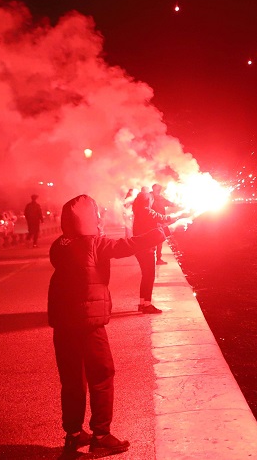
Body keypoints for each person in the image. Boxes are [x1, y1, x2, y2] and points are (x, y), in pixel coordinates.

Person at [48, 194, 177, 454]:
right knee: (102, 375)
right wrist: (165, 231)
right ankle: (100, 436)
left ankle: (73, 435)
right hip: (88, 322)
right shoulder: (94, 244)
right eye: (96, 215)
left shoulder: (59, 245)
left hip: (63, 322)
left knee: (72, 379)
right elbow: (130, 245)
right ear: (89, 219)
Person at [131, 187, 174, 314]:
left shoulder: (139, 212)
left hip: (140, 249)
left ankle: (142, 303)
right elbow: (164, 219)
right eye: (151, 200)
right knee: (149, 276)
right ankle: (147, 305)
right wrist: (181, 215)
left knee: (145, 275)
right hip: (147, 249)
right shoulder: (147, 212)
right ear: (147, 201)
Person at [150, 184, 175, 265]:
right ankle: (158, 259)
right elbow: (170, 204)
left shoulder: (150, 197)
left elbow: (169, 203)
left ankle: (152, 258)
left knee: (152, 240)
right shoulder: (158, 198)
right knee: (159, 240)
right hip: (159, 222)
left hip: (152, 222)